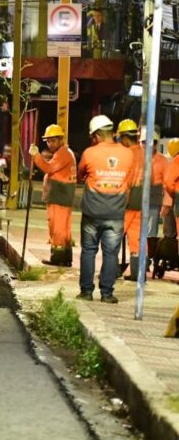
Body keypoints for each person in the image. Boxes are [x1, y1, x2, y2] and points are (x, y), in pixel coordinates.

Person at [76, 115, 137, 302]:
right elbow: (131, 181)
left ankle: (86, 292)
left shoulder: (89, 153)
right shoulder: (129, 154)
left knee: (88, 251)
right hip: (116, 214)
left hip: (92, 213)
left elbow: (79, 176)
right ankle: (107, 294)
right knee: (111, 254)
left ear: (96, 135)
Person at [28, 124, 76, 266]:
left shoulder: (63, 153)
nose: (50, 144)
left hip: (59, 196)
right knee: (64, 228)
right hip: (63, 195)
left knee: (57, 227)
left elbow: (48, 168)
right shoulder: (67, 152)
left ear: (61, 139)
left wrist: (35, 156)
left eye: (53, 140)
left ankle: (58, 258)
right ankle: (66, 257)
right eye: (48, 141)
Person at [116, 120, 146, 279]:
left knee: (114, 235)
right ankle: (138, 273)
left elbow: (124, 179)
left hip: (127, 201)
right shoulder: (144, 153)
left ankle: (112, 270)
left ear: (126, 138)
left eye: (121, 138)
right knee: (136, 238)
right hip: (142, 201)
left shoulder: (127, 154)